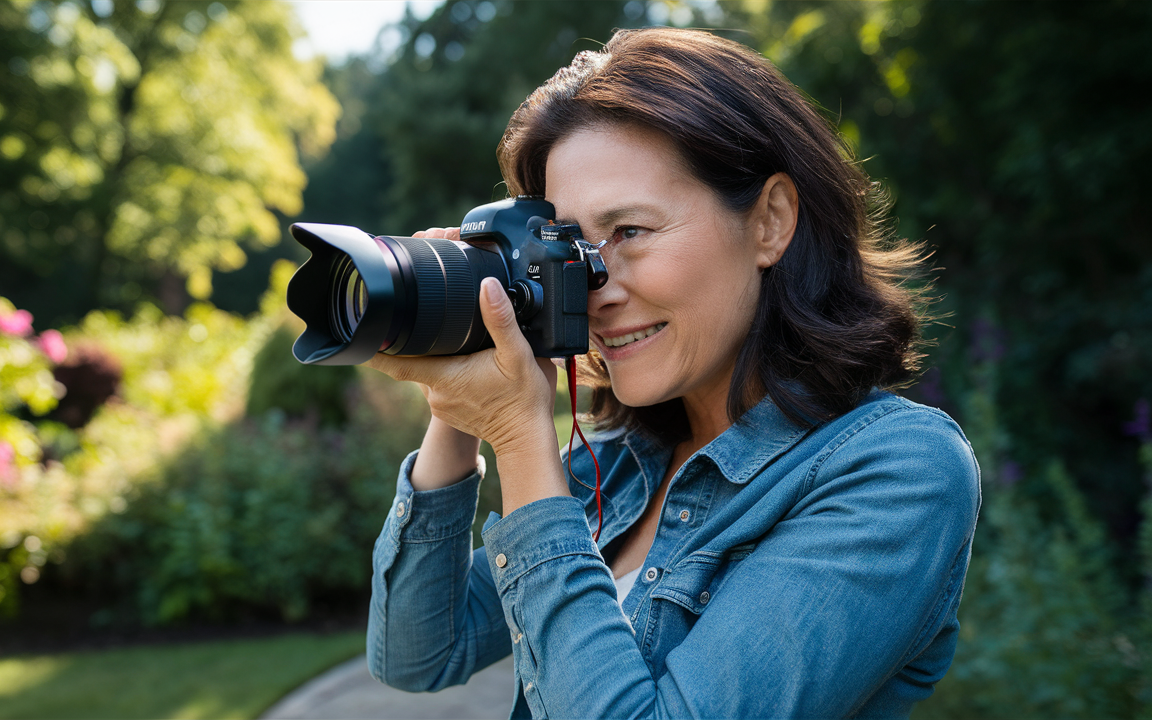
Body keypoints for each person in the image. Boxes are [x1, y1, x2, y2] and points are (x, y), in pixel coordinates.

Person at [362, 27, 980, 719]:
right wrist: (459, 390)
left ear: (771, 222)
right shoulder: (617, 471)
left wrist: (518, 434)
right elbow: (416, 653)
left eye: (629, 232)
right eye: (569, 249)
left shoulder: (896, 470)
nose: (595, 284)